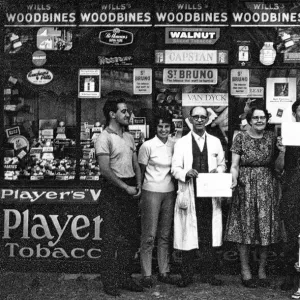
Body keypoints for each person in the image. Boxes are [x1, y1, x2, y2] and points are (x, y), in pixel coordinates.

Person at [225, 107, 281, 288]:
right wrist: (233, 178)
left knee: (265, 228)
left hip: (266, 185)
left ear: (267, 119)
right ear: (249, 120)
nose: (259, 120)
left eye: (262, 117)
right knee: (245, 227)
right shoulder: (240, 137)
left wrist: (282, 151)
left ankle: (262, 270)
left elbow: (278, 166)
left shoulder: (272, 138)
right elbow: (234, 165)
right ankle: (245, 270)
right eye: (255, 117)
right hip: (245, 185)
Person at [171, 106, 226, 288]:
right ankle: (186, 276)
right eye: (196, 117)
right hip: (190, 191)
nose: (200, 120)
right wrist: (186, 172)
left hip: (209, 193)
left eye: (203, 117)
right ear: (191, 119)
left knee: (208, 235)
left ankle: (209, 275)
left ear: (208, 119)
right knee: (188, 235)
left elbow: (222, 165)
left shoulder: (216, 141)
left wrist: (216, 170)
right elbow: (175, 168)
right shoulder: (181, 143)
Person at [95, 98, 143, 297]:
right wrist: (125, 188)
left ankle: (125, 276)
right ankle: (110, 281)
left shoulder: (129, 137)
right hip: (114, 191)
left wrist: (138, 184)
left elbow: (135, 164)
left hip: (130, 188)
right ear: (112, 114)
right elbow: (105, 170)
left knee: (131, 237)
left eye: (128, 111)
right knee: (111, 239)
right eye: (124, 111)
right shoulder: (103, 138)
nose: (128, 115)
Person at [138, 111, 177, 288]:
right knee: (149, 234)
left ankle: (164, 271)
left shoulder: (175, 144)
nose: (163, 129)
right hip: (151, 191)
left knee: (165, 234)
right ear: (156, 127)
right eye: (160, 126)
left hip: (169, 192)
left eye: (166, 126)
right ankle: (146, 274)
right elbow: (141, 170)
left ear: (171, 128)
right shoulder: (147, 146)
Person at [275, 99, 300, 292]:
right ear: (295, 114)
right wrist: (282, 152)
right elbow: (278, 169)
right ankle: (291, 278)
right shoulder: (289, 136)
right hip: (293, 192)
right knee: (291, 237)